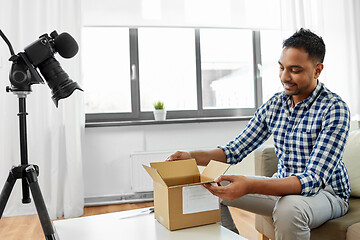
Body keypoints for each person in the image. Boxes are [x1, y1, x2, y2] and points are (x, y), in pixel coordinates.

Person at [167, 28, 350, 240]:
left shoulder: (334, 109)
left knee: (289, 208)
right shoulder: (275, 104)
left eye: (295, 70)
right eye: (281, 67)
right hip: (283, 184)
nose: (284, 77)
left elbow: (312, 180)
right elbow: (234, 150)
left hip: (326, 193)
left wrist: (249, 185)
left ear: (317, 70)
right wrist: (192, 156)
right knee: (211, 187)